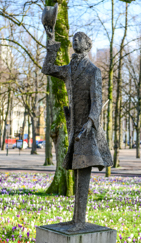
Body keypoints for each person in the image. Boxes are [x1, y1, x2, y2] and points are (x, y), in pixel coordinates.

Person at [42, 30, 113, 231]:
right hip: (74, 128)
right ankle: (76, 219)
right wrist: (51, 44)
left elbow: (97, 101)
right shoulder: (69, 69)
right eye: (73, 38)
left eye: (79, 38)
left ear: (88, 44)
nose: (75, 40)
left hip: (88, 130)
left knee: (83, 174)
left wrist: (90, 123)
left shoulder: (93, 71)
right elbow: (47, 68)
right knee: (75, 171)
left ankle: (80, 220)